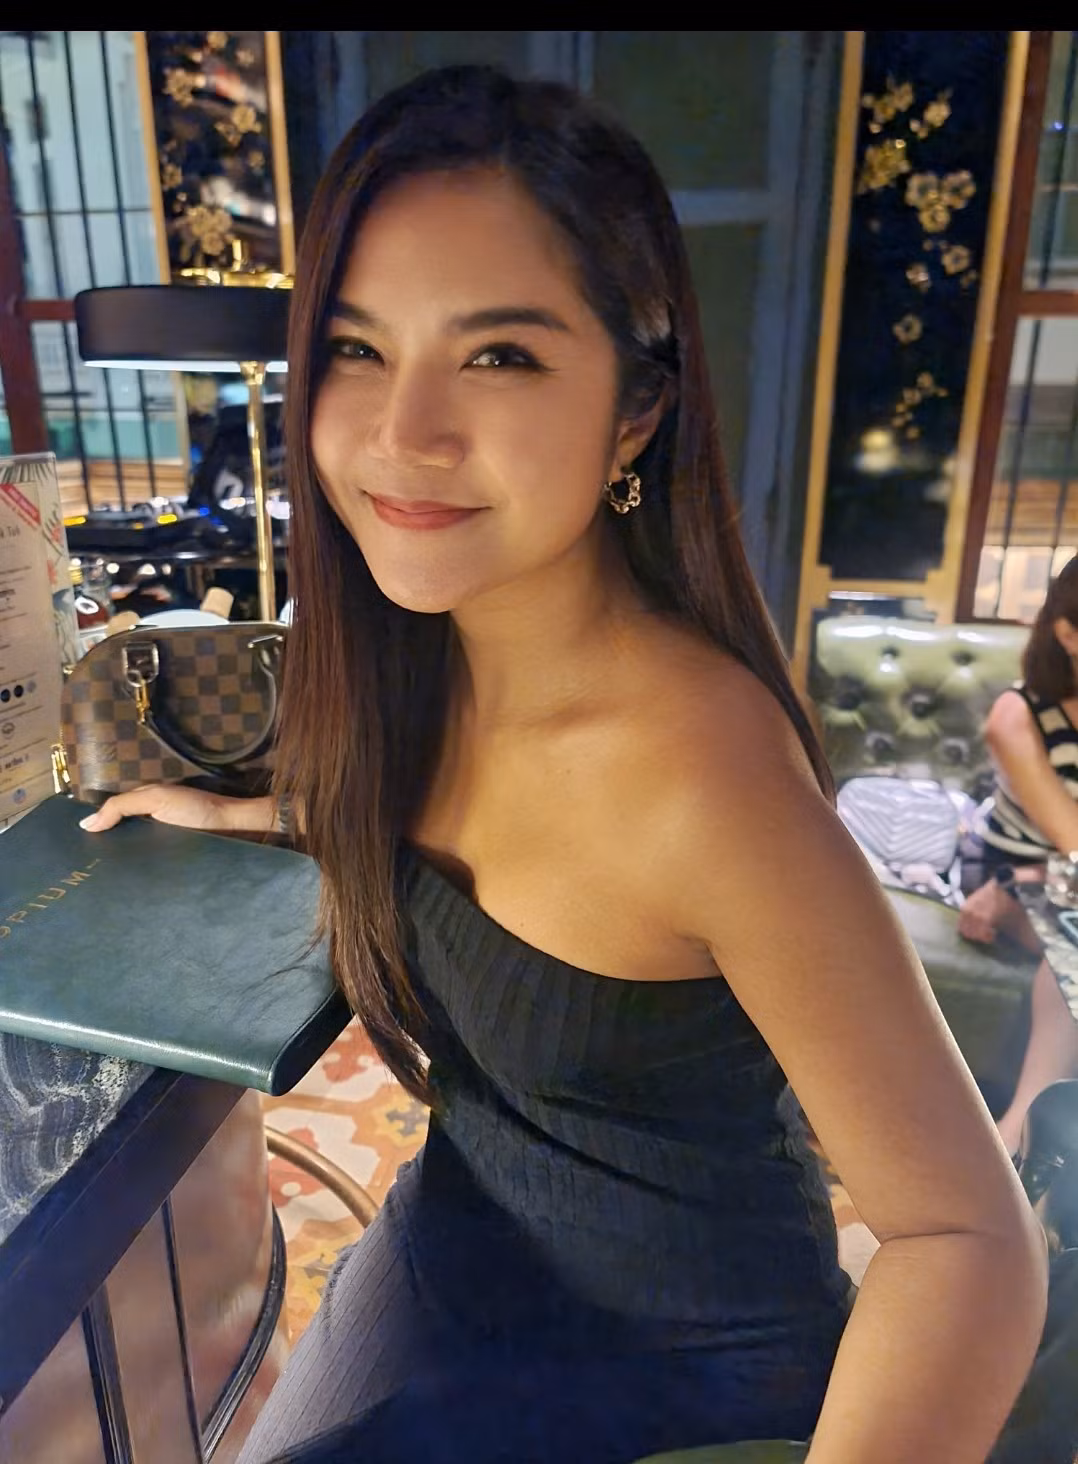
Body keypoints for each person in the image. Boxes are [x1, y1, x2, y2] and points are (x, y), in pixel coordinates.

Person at [81, 65, 1046, 1463]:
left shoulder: (699, 771)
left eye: (500, 356)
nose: (402, 432)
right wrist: (239, 812)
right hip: (462, 1240)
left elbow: (965, 1236)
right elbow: (447, 827)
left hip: (672, 1382)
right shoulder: (428, 653)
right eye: (354, 347)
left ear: (634, 414)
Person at [959, 555, 1078, 1158]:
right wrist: (1030, 877)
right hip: (1009, 875)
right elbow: (1073, 840)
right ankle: (1020, 1133)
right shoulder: (1018, 715)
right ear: (1068, 633)